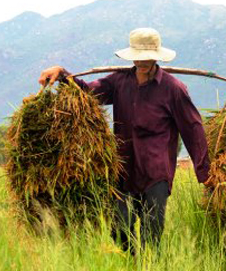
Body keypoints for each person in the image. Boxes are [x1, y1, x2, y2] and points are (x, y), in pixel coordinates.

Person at [38, 28, 210, 251]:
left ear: (156, 56)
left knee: (151, 235)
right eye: (138, 57)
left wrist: (205, 174)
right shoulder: (119, 82)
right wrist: (63, 74)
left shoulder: (173, 89)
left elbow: (193, 129)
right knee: (118, 229)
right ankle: (132, 266)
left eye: (147, 57)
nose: (142, 62)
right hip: (123, 171)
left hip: (156, 173)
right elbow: (88, 93)